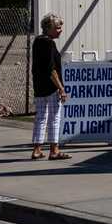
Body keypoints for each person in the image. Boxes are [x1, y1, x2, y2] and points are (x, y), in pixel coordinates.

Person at [30, 12, 70, 161]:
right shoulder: (49, 43)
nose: (60, 30)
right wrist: (61, 88)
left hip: (39, 85)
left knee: (40, 117)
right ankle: (54, 150)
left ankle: (37, 149)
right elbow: (51, 68)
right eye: (58, 27)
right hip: (51, 87)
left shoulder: (37, 41)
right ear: (49, 28)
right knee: (54, 117)